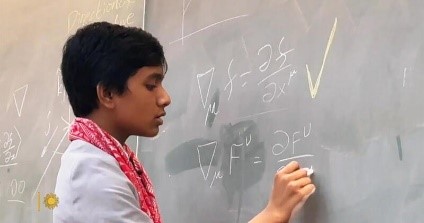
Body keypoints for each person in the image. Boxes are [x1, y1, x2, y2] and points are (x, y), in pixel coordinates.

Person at [53, 22, 315, 223]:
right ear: (108, 93)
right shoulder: (91, 176)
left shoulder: (101, 161)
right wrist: (273, 213)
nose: (165, 98)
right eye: (151, 85)